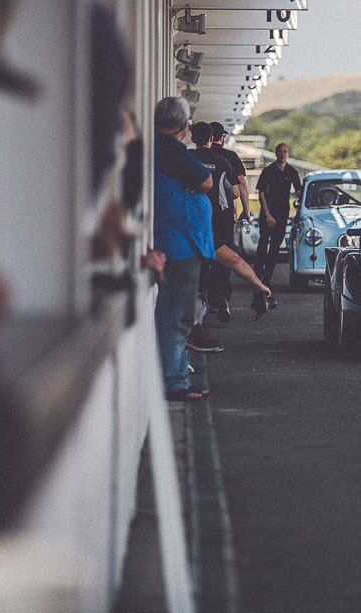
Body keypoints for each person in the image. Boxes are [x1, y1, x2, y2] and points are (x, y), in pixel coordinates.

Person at [152, 96, 215, 401]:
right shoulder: (170, 149)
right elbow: (206, 181)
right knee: (177, 315)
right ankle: (174, 382)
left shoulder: (156, 146)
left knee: (173, 313)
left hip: (176, 240)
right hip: (179, 242)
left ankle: (172, 376)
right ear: (184, 125)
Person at [190, 122, 275, 321]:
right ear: (213, 138)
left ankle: (200, 299)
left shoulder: (186, 158)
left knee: (197, 259)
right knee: (226, 257)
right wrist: (245, 210)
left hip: (191, 219)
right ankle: (222, 297)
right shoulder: (224, 160)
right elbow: (236, 190)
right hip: (221, 217)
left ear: (193, 138)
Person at [254, 142, 302, 284]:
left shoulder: (292, 172)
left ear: (288, 154)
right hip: (268, 211)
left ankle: (267, 277)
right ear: (276, 153)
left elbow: (299, 191)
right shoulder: (268, 171)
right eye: (280, 151)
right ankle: (257, 273)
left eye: (285, 151)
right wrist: (268, 215)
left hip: (282, 213)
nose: (282, 154)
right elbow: (261, 193)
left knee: (275, 247)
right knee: (263, 244)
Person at [209, 121, 252, 222]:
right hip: (223, 211)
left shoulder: (197, 155)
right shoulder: (231, 156)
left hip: (200, 210)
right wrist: (246, 210)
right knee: (223, 238)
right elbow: (241, 183)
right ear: (222, 137)